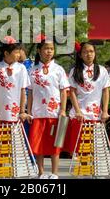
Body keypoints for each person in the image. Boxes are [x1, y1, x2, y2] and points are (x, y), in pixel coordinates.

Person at [27, 34, 69, 179]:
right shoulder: (33, 70)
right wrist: (28, 111)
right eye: (46, 48)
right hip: (38, 113)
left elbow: (64, 92)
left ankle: (55, 173)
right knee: (38, 143)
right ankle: (41, 172)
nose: (49, 51)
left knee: (55, 143)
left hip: (55, 113)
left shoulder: (59, 69)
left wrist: (63, 110)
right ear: (39, 50)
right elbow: (30, 92)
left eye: (51, 49)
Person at [0, 36, 31, 175]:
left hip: (16, 114)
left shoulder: (22, 68)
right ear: (6, 53)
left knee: (16, 144)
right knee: (0, 144)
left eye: (19, 52)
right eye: (16, 52)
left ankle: (16, 170)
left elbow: (23, 90)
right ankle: (1, 171)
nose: (19, 54)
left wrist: (23, 111)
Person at [64, 42, 110, 155]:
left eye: (91, 51)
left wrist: (105, 111)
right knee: (80, 146)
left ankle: (92, 170)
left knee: (95, 146)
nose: (89, 54)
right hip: (80, 113)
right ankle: (83, 169)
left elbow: (106, 91)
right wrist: (77, 111)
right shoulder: (74, 71)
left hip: (96, 114)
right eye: (85, 52)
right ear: (80, 55)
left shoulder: (102, 70)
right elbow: (72, 92)